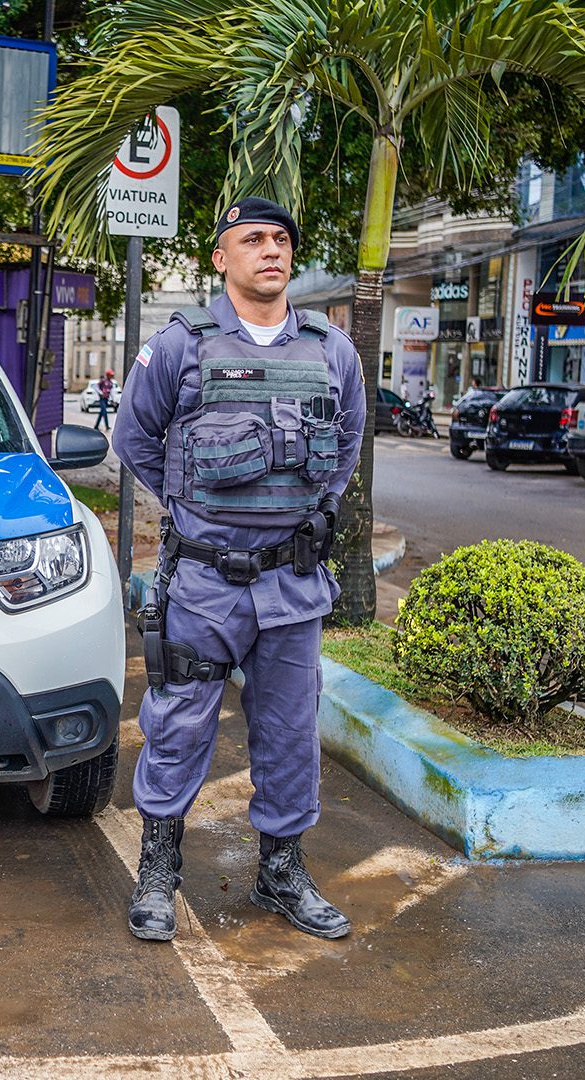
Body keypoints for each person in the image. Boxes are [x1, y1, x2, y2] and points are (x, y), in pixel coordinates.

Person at [112, 197, 366, 943]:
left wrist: (309, 509)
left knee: (289, 734)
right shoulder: (181, 345)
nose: (270, 250)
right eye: (252, 239)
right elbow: (135, 437)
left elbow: (346, 444)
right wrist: (195, 506)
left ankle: (281, 872)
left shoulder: (332, 349)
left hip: (292, 586)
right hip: (204, 584)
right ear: (221, 258)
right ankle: (158, 868)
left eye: (282, 239)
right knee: (178, 726)